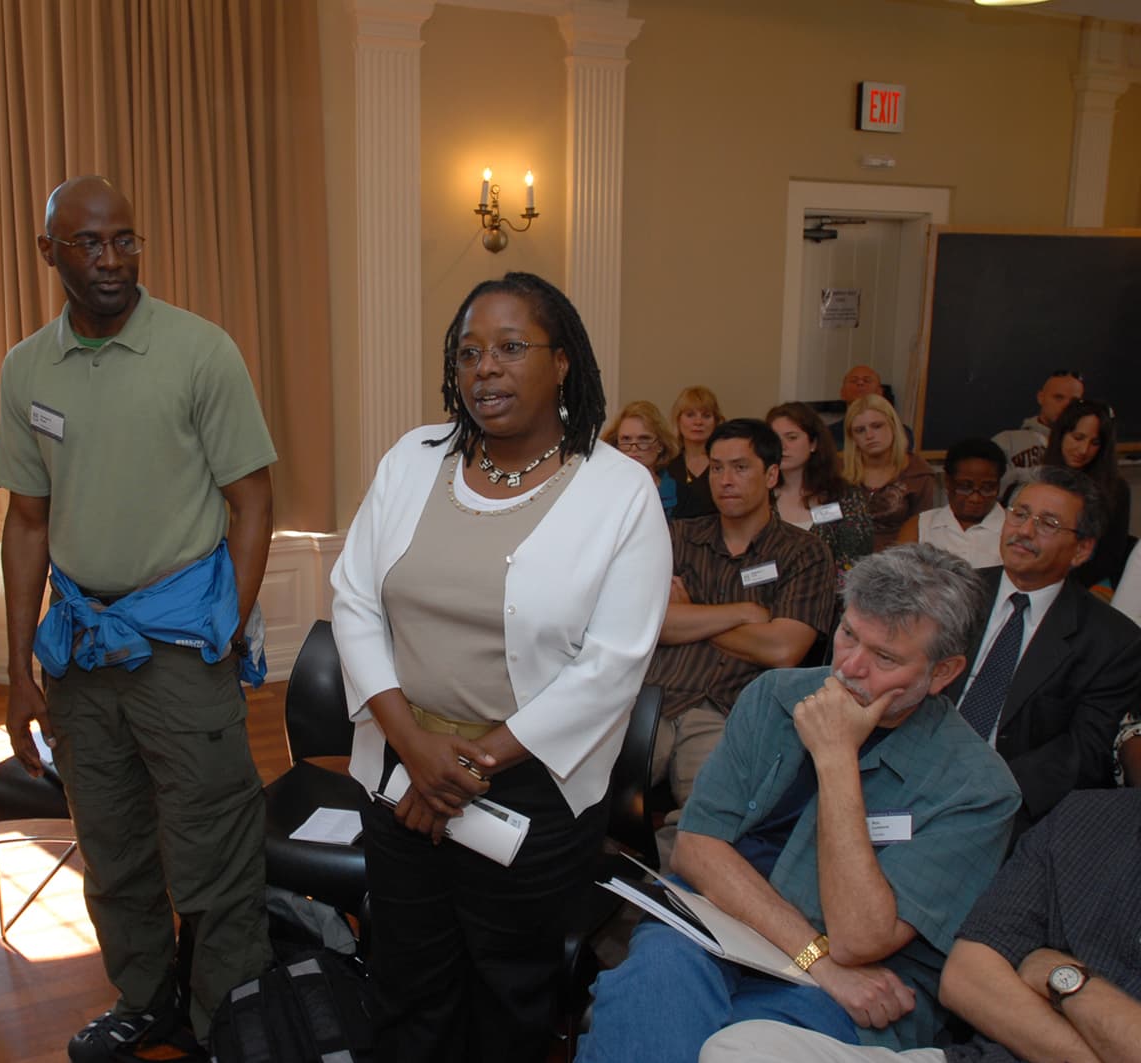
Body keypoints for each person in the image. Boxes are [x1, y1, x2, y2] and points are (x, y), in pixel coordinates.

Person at [330, 272, 671, 1062]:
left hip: (533, 790)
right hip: (399, 769)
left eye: (512, 348)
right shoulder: (412, 459)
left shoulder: (619, 491)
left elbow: (611, 664)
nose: (486, 368)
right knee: (408, 985)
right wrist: (414, 749)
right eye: (469, 352)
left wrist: (465, 767)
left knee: (507, 995)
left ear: (563, 364)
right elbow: (353, 599)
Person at [0, 176, 276, 1059]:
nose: (111, 258)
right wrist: (16, 670)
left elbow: (254, 501)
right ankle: (146, 998)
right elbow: (27, 521)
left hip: (181, 640)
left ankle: (226, 1019)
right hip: (79, 647)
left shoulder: (199, 351)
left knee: (214, 847)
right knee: (111, 844)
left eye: (125, 239)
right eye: (88, 243)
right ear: (51, 253)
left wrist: (228, 627)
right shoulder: (27, 366)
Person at [579, 545, 1022, 1063]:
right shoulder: (775, 696)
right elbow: (697, 848)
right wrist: (818, 959)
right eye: (849, 634)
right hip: (724, 921)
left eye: (885, 658)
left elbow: (858, 940)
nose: (850, 668)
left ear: (944, 672)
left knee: (747, 1047)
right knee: (647, 998)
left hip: (865, 981)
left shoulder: (977, 787)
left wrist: (836, 758)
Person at [698, 788, 1141, 1063]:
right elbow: (967, 980)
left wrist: (1061, 980)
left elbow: (859, 939)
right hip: (984, 1057)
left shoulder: (976, 787)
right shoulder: (1089, 816)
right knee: (741, 1048)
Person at [645, 418, 836, 862]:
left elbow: (783, 649)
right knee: (579, 790)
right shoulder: (677, 538)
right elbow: (648, 623)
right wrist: (745, 614)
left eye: (740, 468)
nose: (725, 480)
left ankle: (653, 908)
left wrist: (691, 611)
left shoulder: (803, 552)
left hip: (728, 711)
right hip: (651, 699)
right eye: (715, 468)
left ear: (771, 476)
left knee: (704, 826)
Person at [945, 465, 1141, 828]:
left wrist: (980, 792)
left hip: (1009, 804)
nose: (1024, 530)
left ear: (1081, 550)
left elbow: (1082, 752)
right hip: (916, 773)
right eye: (1019, 514)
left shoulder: (1113, 641)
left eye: (1048, 523)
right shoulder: (953, 593)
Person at [767, 401, 873, 589]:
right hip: (766, 605)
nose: (782, 446)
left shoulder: (845, 496)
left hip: (829, 604)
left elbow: (856, 563)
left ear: (813, 443)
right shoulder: (759, 497)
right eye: (774, 439)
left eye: (792, 437)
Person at [1039, 398, 1129, 589]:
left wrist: (1066, 586)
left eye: (1095, 443)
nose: (1084, 450)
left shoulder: (1116, 489)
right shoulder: (1038, 481)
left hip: (1089, 585)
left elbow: (1110, 555)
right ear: (1061, 435)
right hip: (1038, 576)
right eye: (1078, 438)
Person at [897, 438, 1006, 569]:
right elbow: (899, 579)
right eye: (965, 487)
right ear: (947, 482)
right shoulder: (920, 526)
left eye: (987, 488)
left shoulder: (1015, 529)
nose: (975, 498)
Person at [843, 395, 933, 552]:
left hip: (897, 563)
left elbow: (924, 530)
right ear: (852, 437)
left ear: (893, 426)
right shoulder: (839, 471)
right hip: (843, 560)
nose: (869, 436)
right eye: (860, 430)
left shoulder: (919, 473)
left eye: (877, 426)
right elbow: (821, 520)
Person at [991, 369, 1083, 471]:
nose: (1066, 406)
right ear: (1041, 397)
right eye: (1058, 397)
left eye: (1074, 401)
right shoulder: (1007, 441)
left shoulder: (1085, 449)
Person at [607, 399, 680, 515]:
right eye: (626, 439)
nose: (634, 448)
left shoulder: (679, 493)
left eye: (644, 439)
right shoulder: (604, 490)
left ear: (660, 445)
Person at [666, 385, 724, 519]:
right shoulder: (666, 464)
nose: (698, 422)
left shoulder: (724, 464)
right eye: (690, 415)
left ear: (716, 421)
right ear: (678, 419)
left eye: (706, 416)